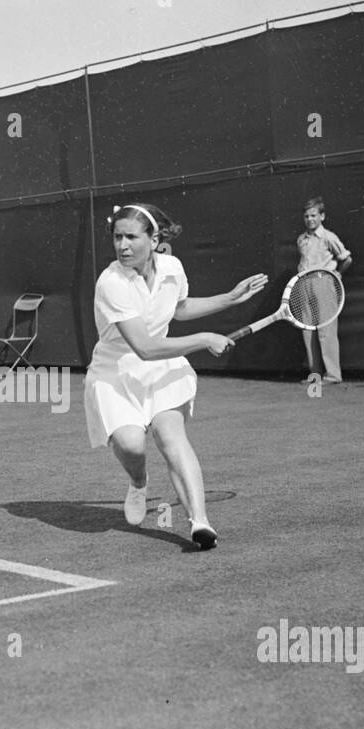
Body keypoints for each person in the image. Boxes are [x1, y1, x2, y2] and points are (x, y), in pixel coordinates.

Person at [84, 202, 267, 551]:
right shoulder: (111, 282)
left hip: (162, 369)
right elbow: (144, 347)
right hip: (116, 371)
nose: (123, 245)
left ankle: (200, 522)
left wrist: (228, 299)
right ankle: (139, 481)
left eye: (132, 237)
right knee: (130, 444)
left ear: (154, 240)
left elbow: (179, 308)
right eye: (117, 237)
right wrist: (203, 339)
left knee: (171, 436)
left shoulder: (172, 267)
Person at [295, 196, 353, 385]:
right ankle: (315, 374)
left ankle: (333, 375)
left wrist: (335, 275)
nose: (310, 219)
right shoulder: (301, 240)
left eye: (313, 215)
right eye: (306, 216)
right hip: (304, 284)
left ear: (322, 216)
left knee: (326, 330)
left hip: (324, 283)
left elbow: (347, 259)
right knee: (307, 330)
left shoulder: (329, 237)